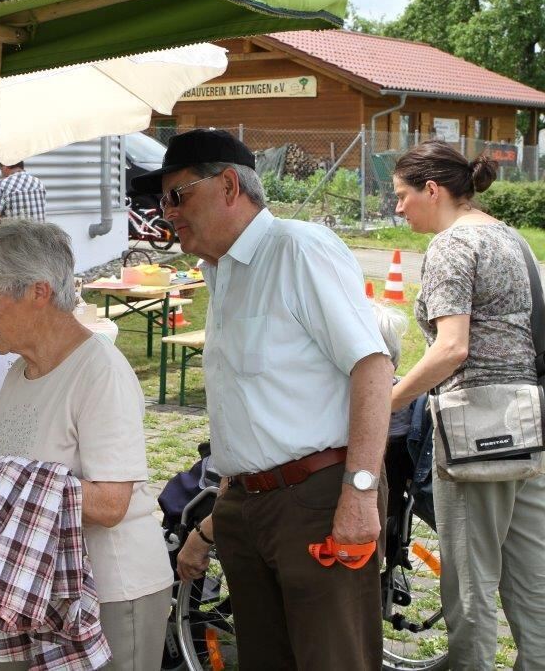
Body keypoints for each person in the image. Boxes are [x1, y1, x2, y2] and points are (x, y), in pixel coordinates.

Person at [142, 129, 393, 670]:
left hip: (318, 498)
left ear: (229, 185)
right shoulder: (222, 270)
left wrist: (360, 494)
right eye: (164, 200)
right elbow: (251, 411)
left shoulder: (297, 248)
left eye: (176, 196)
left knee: (333, 660)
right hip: (249, 504)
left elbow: (372, 367)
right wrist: (216, 521)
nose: (167, 213)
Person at [0, 220, 172, 670]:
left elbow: (111, 504)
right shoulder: (19, 372)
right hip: (40, 589)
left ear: (37, 292)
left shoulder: (99, 372)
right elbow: (17, 479)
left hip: (111, 593)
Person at [388, 141, 545, 669]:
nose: (398, 207)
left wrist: (387, 401)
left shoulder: (453, 246)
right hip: (529, 423)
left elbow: (452, 347)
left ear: (432, 190)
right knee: (532, 580)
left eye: (403, 195)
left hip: (474, 428)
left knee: (470, 581)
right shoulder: (509, 236)